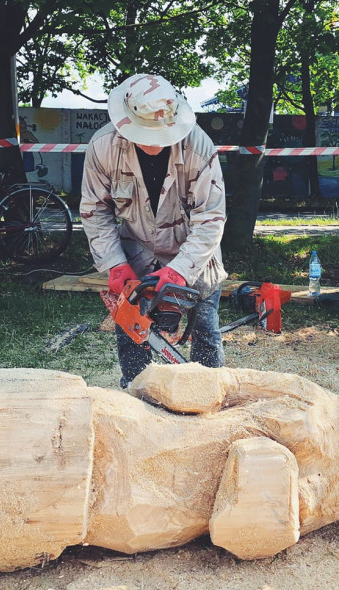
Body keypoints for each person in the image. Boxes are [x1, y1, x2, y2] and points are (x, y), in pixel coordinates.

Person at [79, 73, 228, 388]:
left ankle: (209, 389)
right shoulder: (104, 147)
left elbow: (211, 218)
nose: (155, 142)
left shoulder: (199, 148)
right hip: (137, 248)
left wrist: (179, 271)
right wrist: (114, 263)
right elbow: (95, 210)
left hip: (193, 251)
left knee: (204, 325)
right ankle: (136, 389)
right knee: (130, 323)